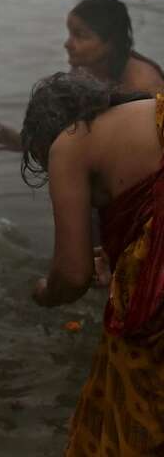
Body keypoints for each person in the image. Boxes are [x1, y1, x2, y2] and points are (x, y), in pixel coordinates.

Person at [20, 72, 164, 455]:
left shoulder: (69, 142)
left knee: (133, 413)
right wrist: (129, 259)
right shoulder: (150, 108)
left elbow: (72, 275)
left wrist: (45, 293)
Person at [0, 0, 164, 152]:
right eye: (70, 33)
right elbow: (69, 133)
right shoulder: (85, 70)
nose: (67, 44)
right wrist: (27, 144)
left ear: (110, 43)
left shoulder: (146, 86)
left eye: (80, 36)